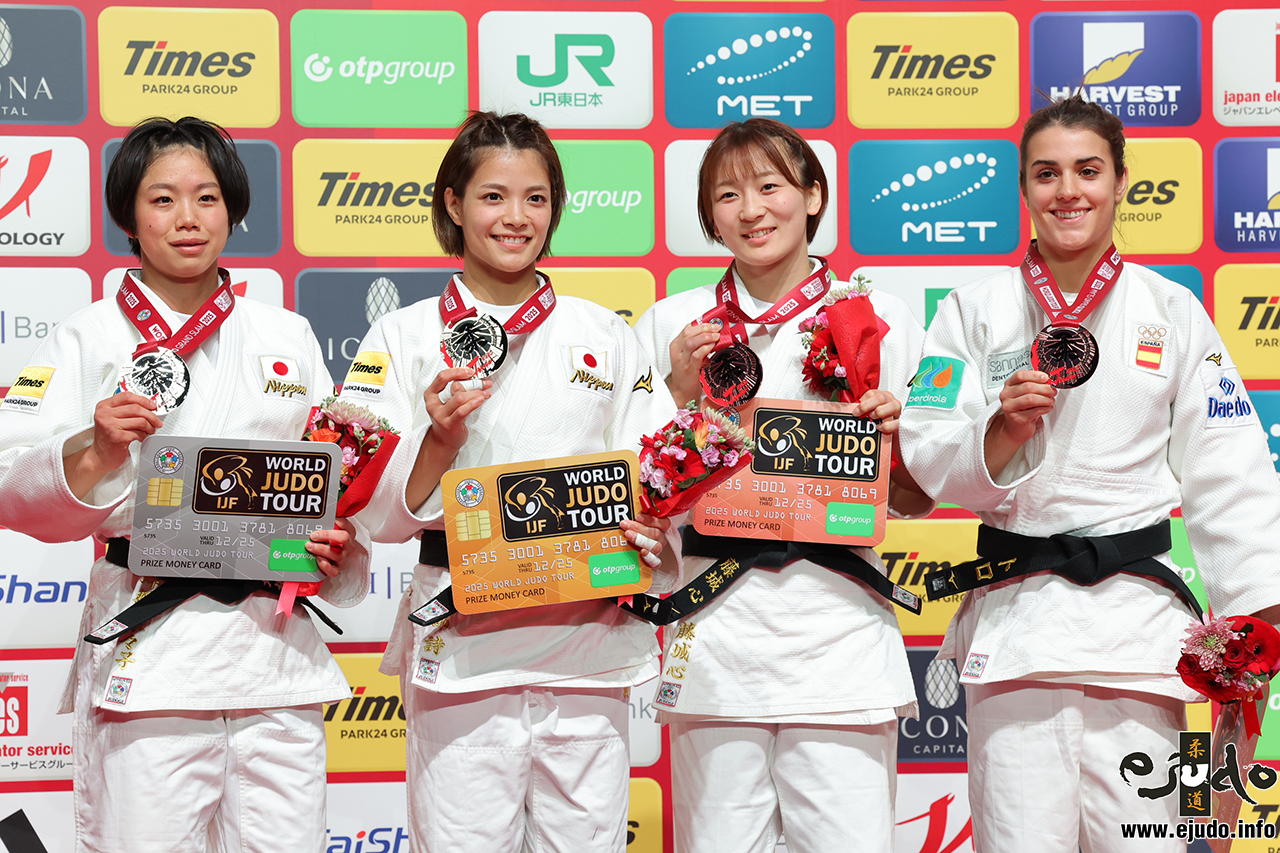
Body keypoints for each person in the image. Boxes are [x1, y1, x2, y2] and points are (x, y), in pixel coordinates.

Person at [898, 94, 1280, 852]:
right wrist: (1000, 431)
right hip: (1017, 632)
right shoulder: (970, 312)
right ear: (1024, 188)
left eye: (1087, 170)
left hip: (1138, 637)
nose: (1066, 190)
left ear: (1120, 181)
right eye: (1046, 173)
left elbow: (1228, 467)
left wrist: (1255, 613)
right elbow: (927, 447)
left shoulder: (1172, 311)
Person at [0, 117, 369, 852]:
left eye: (206, 197)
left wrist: (335, 545)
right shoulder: (87, 337)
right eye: (162, 199)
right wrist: (96, 446)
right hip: (153, 653)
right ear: (128, 217)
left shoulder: (285, 336)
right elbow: (14, 484)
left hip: (275, 658)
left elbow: (328, 482)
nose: (188, 218)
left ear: (233, 208)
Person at [339, 111, 677, 852]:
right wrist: (439, 438)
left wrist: (653, 525)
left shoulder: (605, 334)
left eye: (535, 197)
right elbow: (370, 509)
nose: (515, 217)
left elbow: (653, 474)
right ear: (453, 205)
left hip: (588, 645)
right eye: (493, 197)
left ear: (555, 207)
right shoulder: (402, 335)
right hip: (461, 649)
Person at [633, 117, 932, 853]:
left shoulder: (881, 317)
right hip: (714, 632)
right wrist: (672, 390)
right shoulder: (673, 324)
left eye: (770, 186)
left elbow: (916, 497)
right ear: (709, 216)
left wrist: (894, 443)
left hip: (837, 631)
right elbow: (634, 488)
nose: (750, 209)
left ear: (813, 196)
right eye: (727, 194)